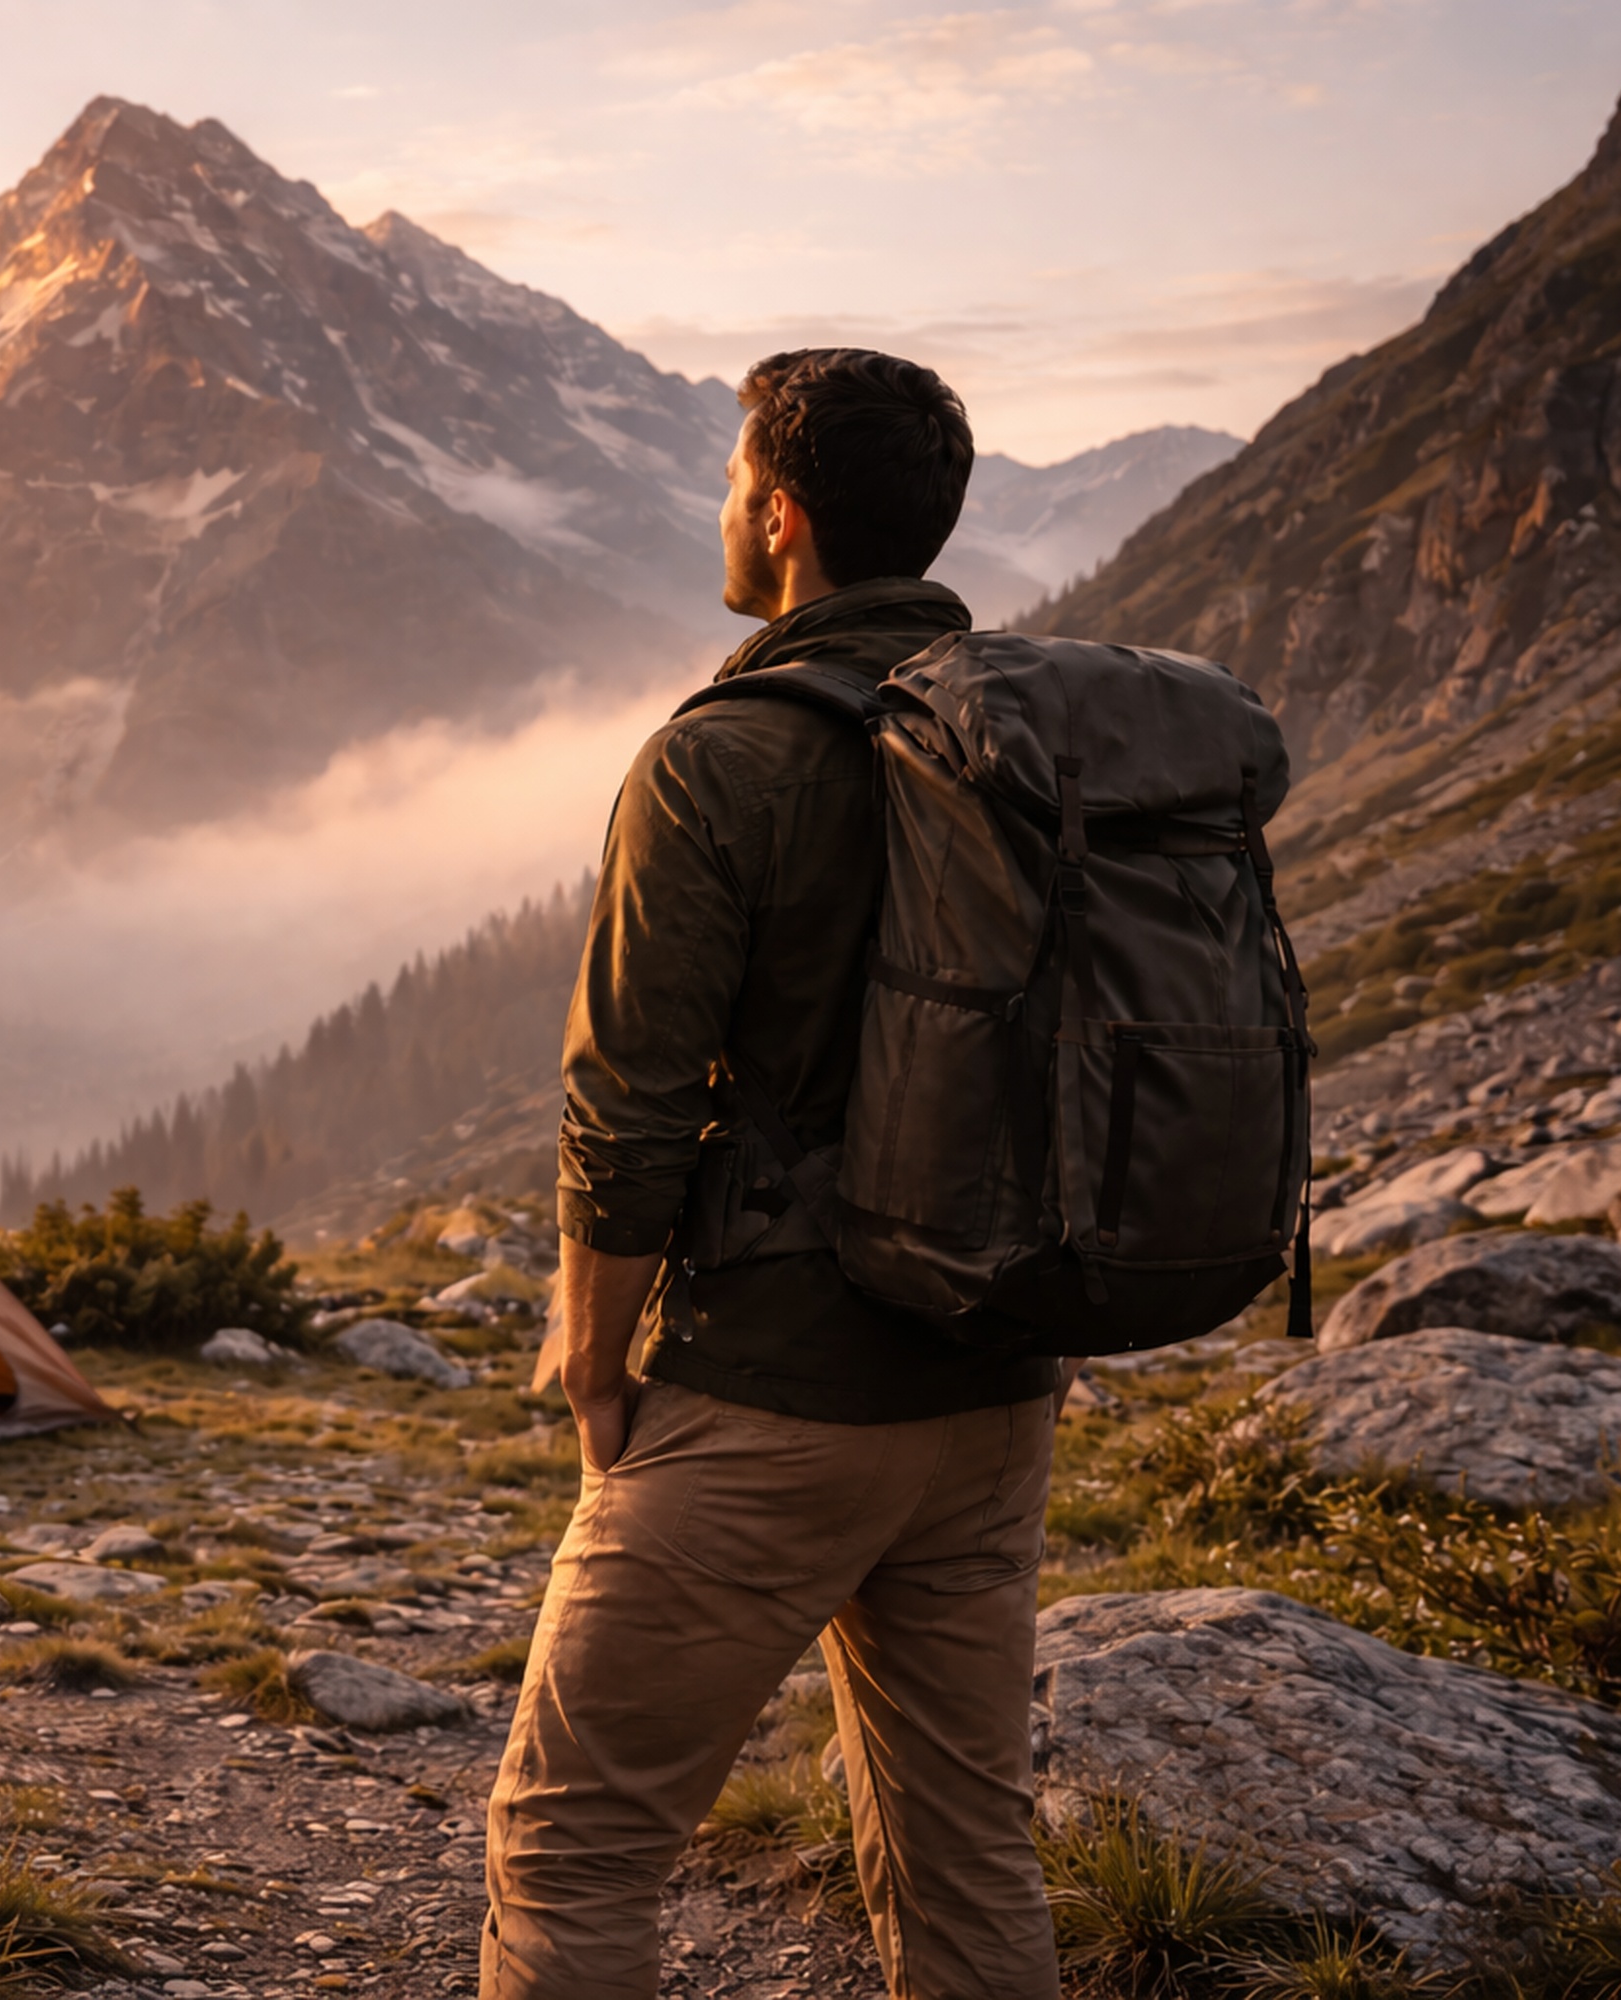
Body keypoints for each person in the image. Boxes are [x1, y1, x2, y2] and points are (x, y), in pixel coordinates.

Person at [481, 349, 1067, 2000]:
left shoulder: (721, 757)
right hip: (991, 1384)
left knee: (576, 1843)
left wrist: (594, 1361)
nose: (727, 509)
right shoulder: (1031, 734)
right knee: (964, 1857)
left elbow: (631, 1101)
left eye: (737, 481)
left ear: (783, 517)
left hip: (771, 1393)